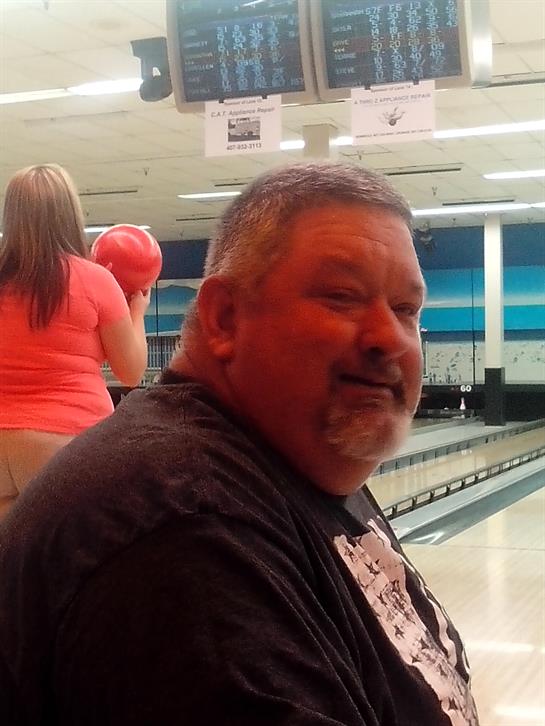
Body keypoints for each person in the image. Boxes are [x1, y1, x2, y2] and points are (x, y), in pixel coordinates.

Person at [0, 162, 479, 725]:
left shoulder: (289, 455)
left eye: (406, 309)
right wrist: (134, 304)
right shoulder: (183, 539)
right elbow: (129, 368)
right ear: (225, 318)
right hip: (69, 429)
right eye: (342, 296)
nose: (388, 337)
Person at [0, 164, 150, 516]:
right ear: (68, 213)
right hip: (66, 442)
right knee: (65, 548)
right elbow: (130, 371)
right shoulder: (94, 280)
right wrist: (137, 312)